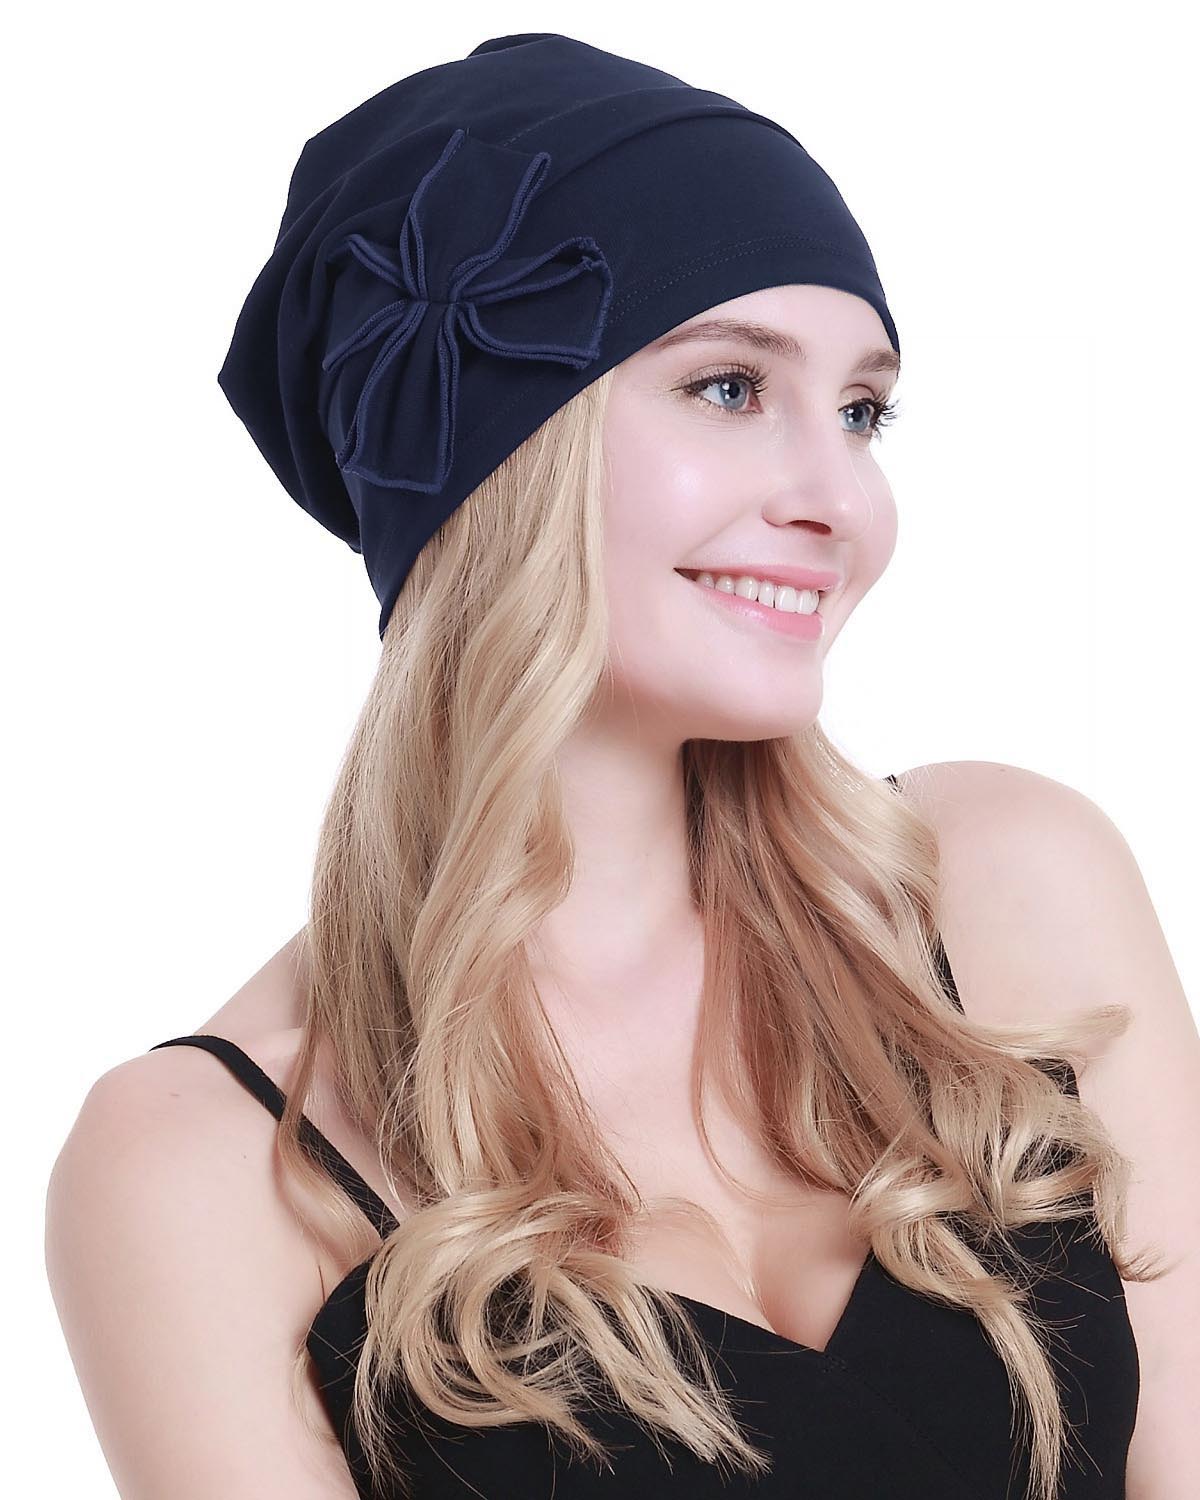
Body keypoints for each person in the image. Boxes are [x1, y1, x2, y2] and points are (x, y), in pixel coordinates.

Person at [44, 32, 1197, 1500]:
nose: (842, 499)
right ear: (491, 455)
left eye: (863, 411)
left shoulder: (1007, 884)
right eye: (729, 388)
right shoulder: (205, 1166)